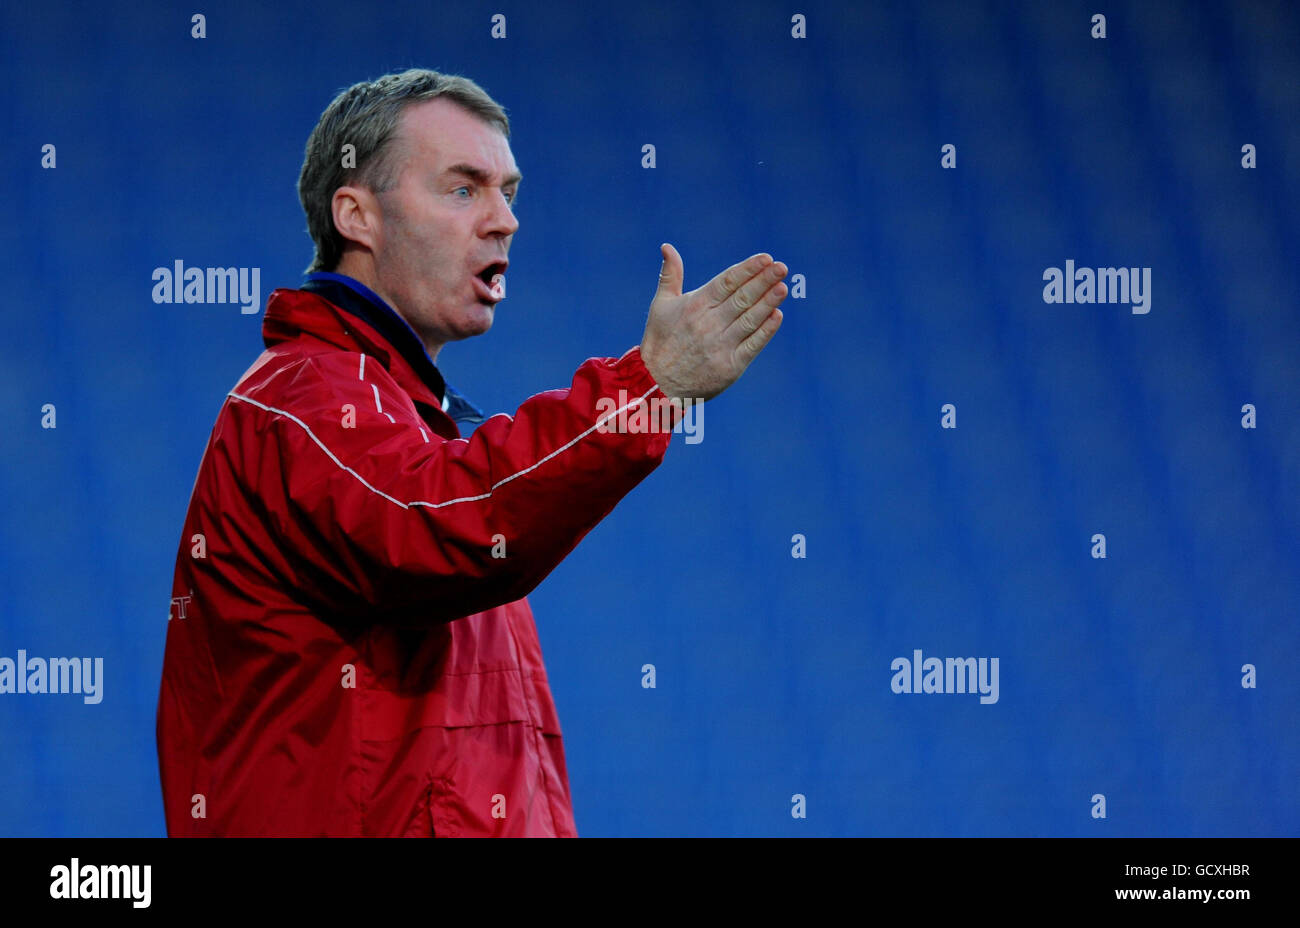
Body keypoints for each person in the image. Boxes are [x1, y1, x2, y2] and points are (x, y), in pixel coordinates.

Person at [155, 68, 788, 837]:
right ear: (357, 215)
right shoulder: (303, 399)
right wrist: (647, 390)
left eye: (509, 191)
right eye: (464, 189)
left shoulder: (408, 416)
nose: (505, 220)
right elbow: (443, 523)